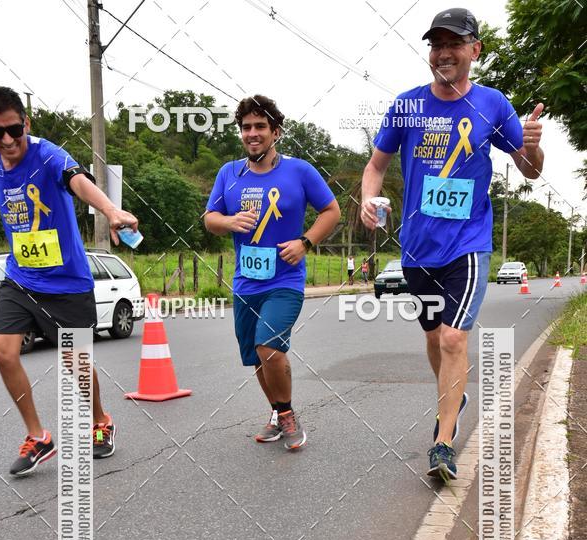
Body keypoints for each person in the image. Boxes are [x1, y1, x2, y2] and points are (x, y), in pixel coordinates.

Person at [361, 8, 543, 480]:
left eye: (454, 44)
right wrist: (368, 199)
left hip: (469, 242)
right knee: (432, 337)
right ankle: (453, 394)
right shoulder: (407, 106)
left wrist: (535, 145)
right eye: (436, 44)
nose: (443, 52)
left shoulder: (494, 104)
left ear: (474, 50)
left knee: (453, 336)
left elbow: (530, 168)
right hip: (418, 248)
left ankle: (443, 442)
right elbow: (376, 165)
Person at [0, 86, 139, 476]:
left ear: (27, 123)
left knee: (77, 364)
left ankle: (101, 420)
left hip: (68, 282)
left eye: (13, 130)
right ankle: (38, 436)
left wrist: (110, 209)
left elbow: (78, 180)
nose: (6, 140)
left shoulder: (49, 155)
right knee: (3, 352)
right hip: (21, 279)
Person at [204, 94, 340, 450]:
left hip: (285, 281)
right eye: (246, 127)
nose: (252, 133)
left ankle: (287, 414)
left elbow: (331, 211)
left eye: (260, 126)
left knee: (269, 347)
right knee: (257, 357)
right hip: (246, 283)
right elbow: (210, 219)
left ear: (275, 132)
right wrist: (230, 221)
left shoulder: (299, 171)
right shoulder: (228, 174)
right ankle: (277, 413)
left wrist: (306, 243)